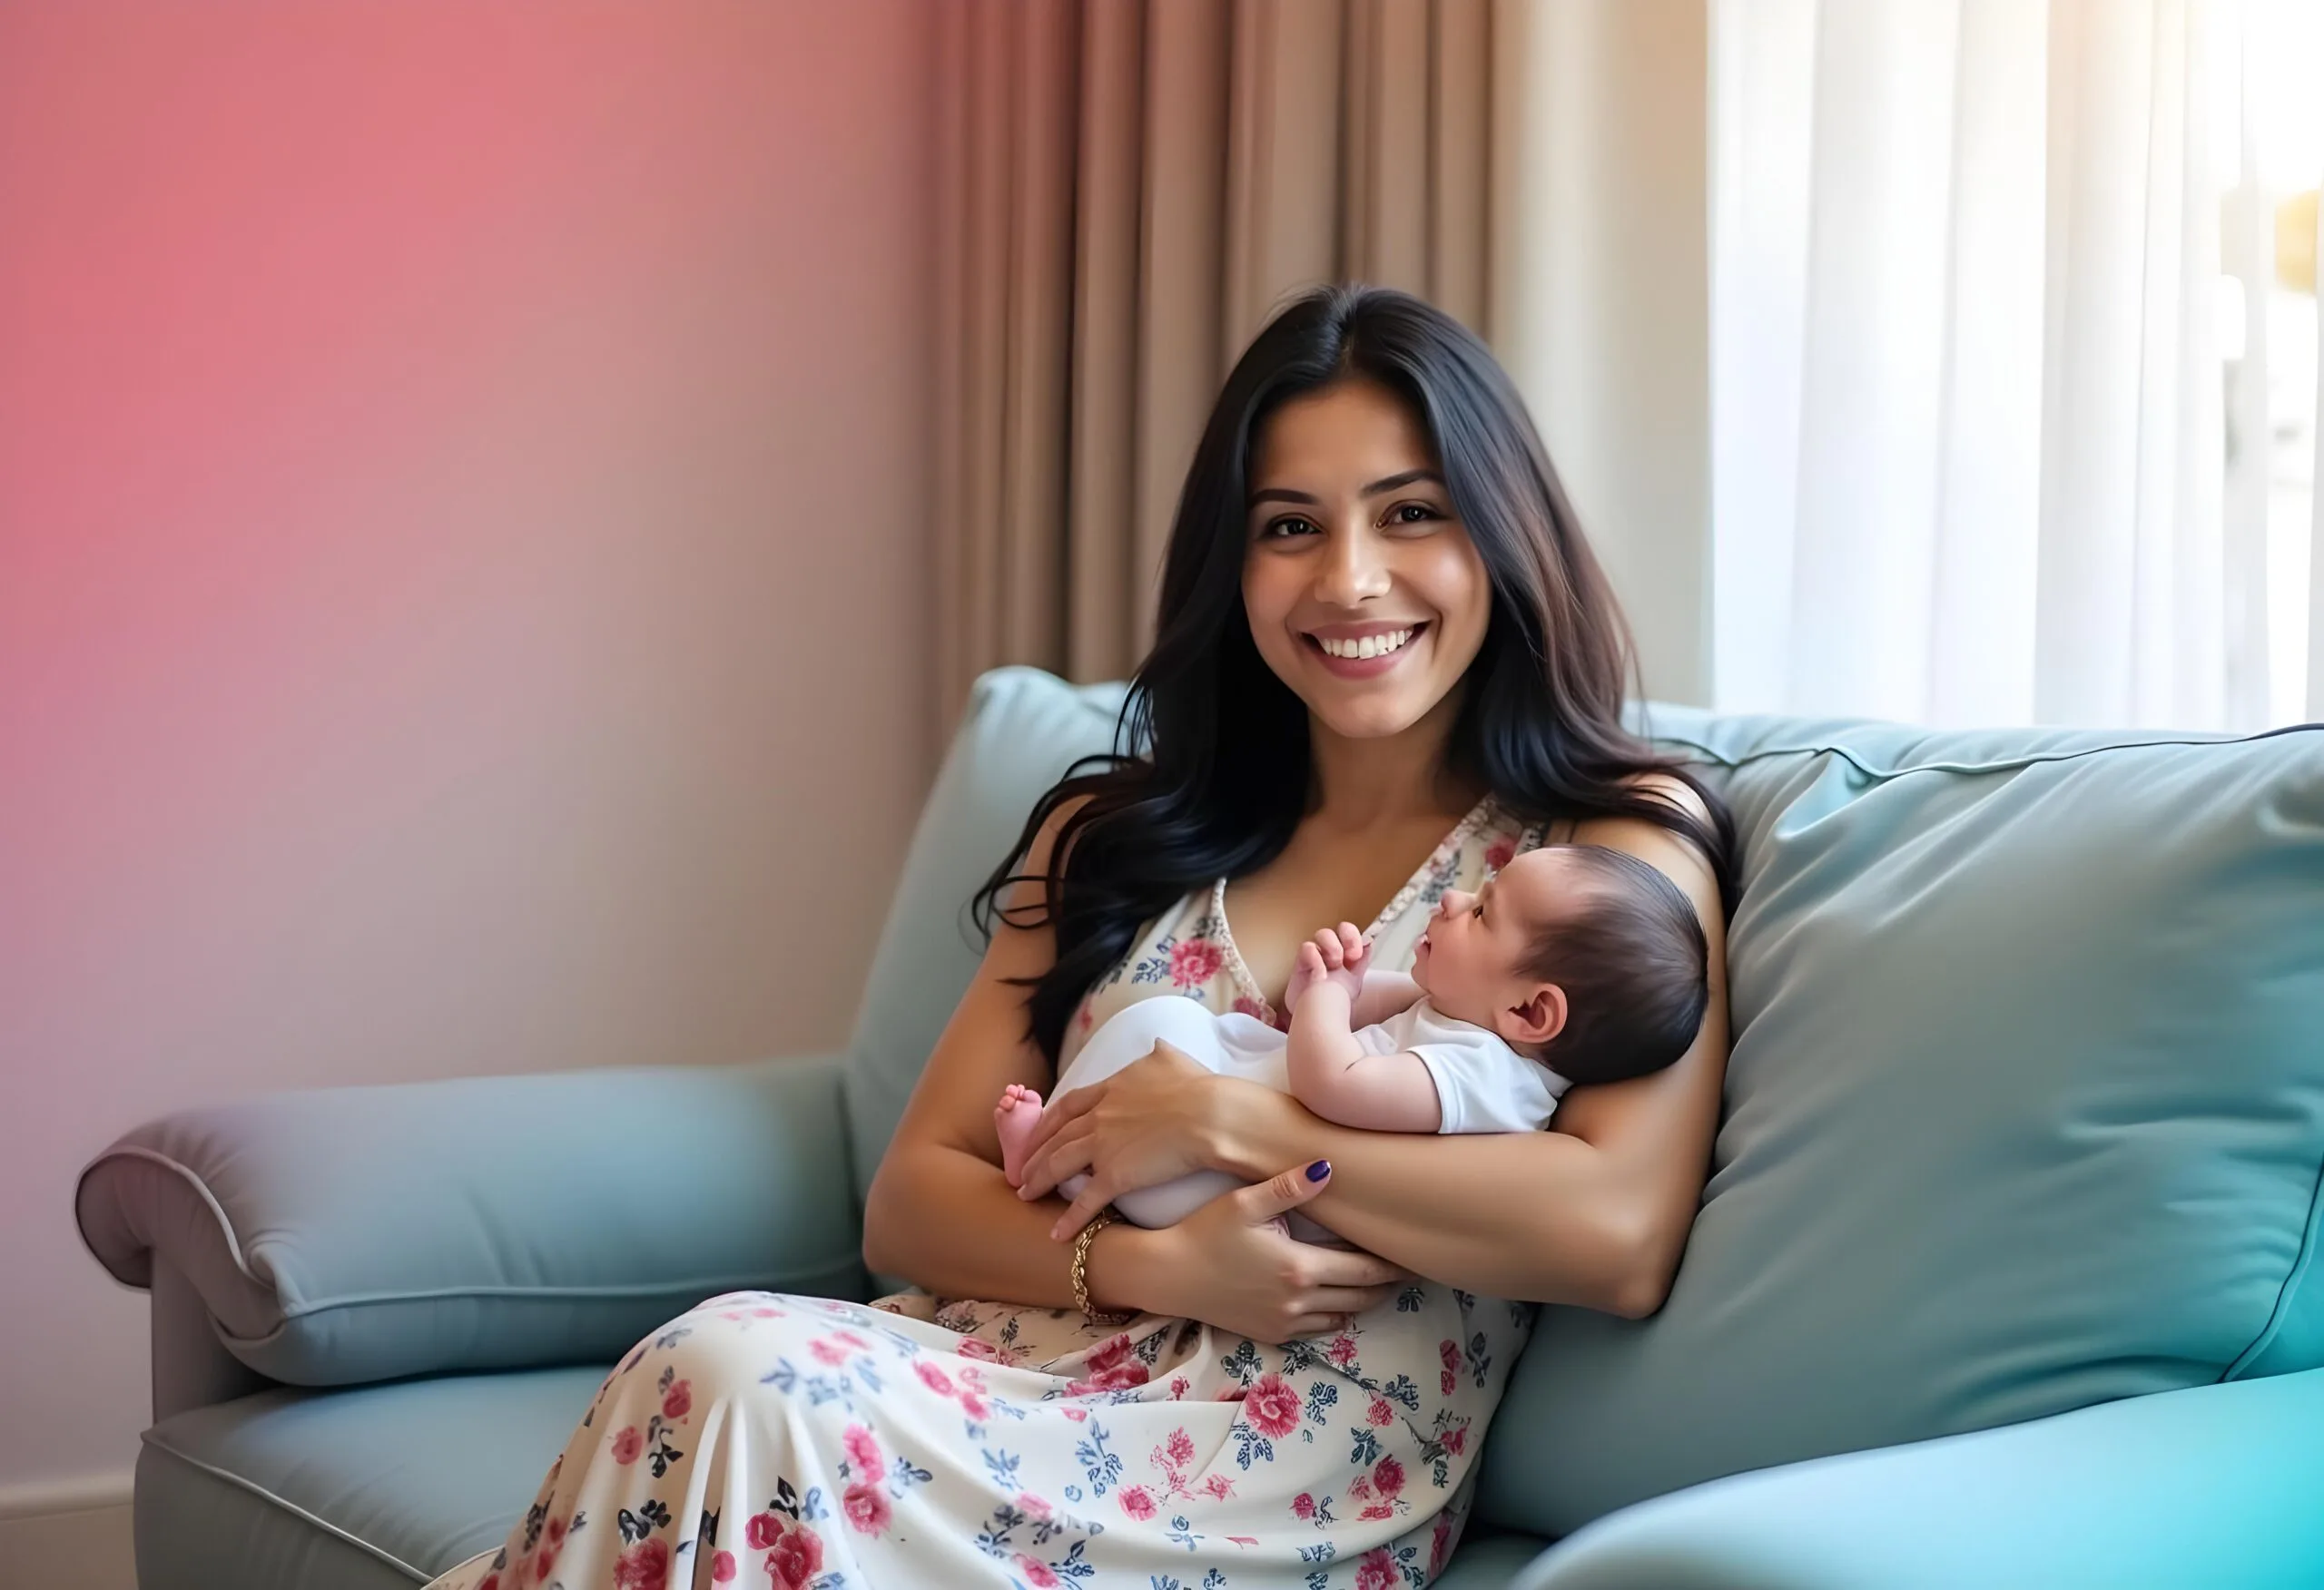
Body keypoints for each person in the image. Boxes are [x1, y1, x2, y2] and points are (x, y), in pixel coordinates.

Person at [423, 284, 1738, 1590]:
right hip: (988, 1380)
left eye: (1410, 513)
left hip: (1255, 1486)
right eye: (1291, 526)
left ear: (1501, 532)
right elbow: (916, 1201)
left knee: (734, 1378)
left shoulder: (1605, 847)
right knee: (716, 1370)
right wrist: (1161, 1266)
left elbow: (1613, 1234)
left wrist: (1232, 1125)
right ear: (1235, 565)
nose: (1349, 579)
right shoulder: (1117, 834)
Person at [995, 843, 1711, 1242]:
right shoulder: (1455, 1012)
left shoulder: (1485, 1077)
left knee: (1167, 1029)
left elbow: (1334, 1083)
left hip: (1231, 1187)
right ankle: (1055, 1154)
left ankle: (1054, 1164)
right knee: (1165, 1028)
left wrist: (1329, 1004)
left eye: (1485, 913)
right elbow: (1340, 1011)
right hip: (1211, 1140)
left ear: (1529, 1011)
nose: (1455, 900)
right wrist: (1332, 982)